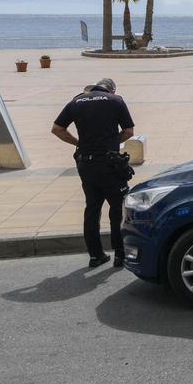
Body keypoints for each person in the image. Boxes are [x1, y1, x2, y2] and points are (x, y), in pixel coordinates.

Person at [51, 78, 136, 268]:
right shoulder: (116, 100)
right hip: (110, 164)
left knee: (92, 209)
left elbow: (57, 129)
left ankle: (96, 255)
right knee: (118, 210)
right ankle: (120, 255)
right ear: (112, 90)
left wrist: (78, 143)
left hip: (86, 164)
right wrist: (114, 142)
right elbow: (129, 131)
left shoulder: (77, 101)